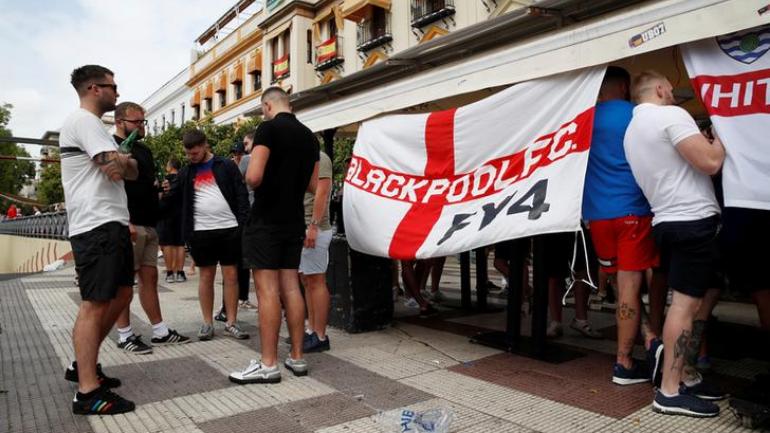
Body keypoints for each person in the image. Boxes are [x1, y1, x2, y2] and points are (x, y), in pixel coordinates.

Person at [624, 70, 725, 417]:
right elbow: (710, 162)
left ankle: (685, 376)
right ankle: (669, 390)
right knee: (684, 305)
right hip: (692, 220)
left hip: (666, 220)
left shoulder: (631, 132)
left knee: (691, 301)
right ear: (663, 89)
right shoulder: (670, 115)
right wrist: (721, 136)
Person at [60, 65, 136, 415]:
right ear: (94, 88)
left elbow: (129, 171)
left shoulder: (98, 129)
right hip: (96, 223)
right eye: (112, 86)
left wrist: (122, 162)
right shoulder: (85, 122)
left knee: (122, 293)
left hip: (112, 221)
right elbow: (116, 168)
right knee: (95, 301)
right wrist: (122, 161)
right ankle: (87, 392)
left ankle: (82, 364)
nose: (117, 92)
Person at [230, 87, 319, 384]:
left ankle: (268, 364)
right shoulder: (310, 136)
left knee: (267, 290)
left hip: (266, 220)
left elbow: (253, 177)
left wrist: (249, 175)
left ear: (267, 105)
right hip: (293, 220)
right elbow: (312, 185)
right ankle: (297, 357)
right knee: (291, 287)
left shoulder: (267, 128)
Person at [581, 66, 662, 385]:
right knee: (633, 286)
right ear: (626, 87)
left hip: (597, 217)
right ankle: (624, 362)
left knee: (617, 284)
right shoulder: (637, 114)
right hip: (632, 211)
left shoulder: (584, 120)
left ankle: (647, 335)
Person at [112, 102, 190, 354]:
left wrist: (158, 190)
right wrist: (124, 221)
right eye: (137, 122)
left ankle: (160, 331)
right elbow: (111, 187)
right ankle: (124, 334)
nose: (142, 126)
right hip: (129, 222)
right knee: (124, 282)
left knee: (150, 278)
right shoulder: (110, 147)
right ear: (120, 121)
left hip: (149, 221)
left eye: (143, 121)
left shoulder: (144, 150)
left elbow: (144, 183)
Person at [165, 129, 250, 341]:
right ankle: (207, 323)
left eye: (194, 153)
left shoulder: (226, 165)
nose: (191, 157)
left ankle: (231, 322)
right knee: (206, 276)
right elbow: (173, 200)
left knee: (231, 276)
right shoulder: (186, 172)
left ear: (205, 146)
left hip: (229, 228)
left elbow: (241, 194)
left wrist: (242, 224)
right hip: (200, 232)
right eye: (188, 154)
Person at [300, 150, 334, 352]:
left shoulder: (320, 158)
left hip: (314, 229)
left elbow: (322, 192)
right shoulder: (302, 156)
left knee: (316, 281)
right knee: (307, 281)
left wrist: (314, 225)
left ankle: (320, 335)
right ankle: (312, 330)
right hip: (303, 227)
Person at [157, 157, 187, 283]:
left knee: (168, 244)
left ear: (169, 167)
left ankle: (170, 273)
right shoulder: (183, 179)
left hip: (166, 215)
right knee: (180, 244)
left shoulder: (164, 180)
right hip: (181, 214)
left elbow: (158, 197)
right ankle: (180, 272)